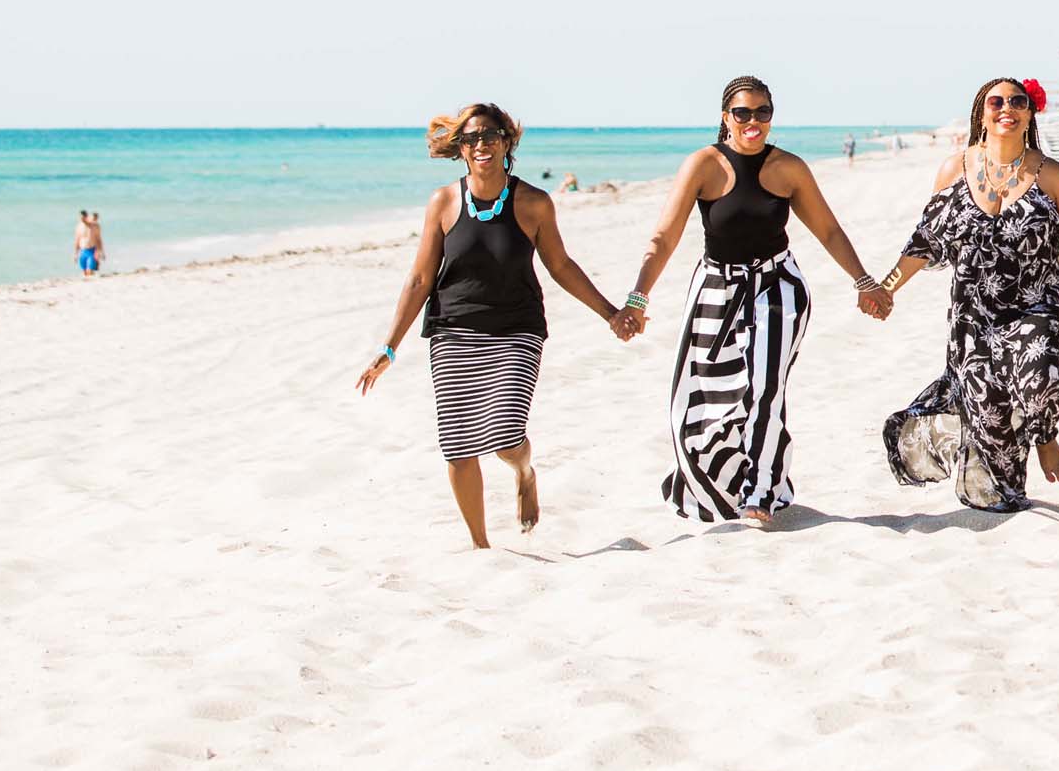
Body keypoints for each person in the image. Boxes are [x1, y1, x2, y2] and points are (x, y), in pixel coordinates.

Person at [873, 76, 1059, 513]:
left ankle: (1045, 435)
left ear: (1029, 114)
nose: (1006, 108)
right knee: (989, 411)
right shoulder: (955, 169)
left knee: (1040, 382)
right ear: (981, 113)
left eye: (1017, 102)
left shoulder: (1051, 175)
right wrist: (886, 288)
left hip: (1038, 305)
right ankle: (1007, 497)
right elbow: (925, 241)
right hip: (973, 316)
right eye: (997, 101)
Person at [616, 77, 891, 529]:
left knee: (765, 389)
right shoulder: (703, 165)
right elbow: (664, 236)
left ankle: (761, 489)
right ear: (726, 116)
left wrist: (864, 282)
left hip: (777, 287)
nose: (753, 122)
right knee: (696, 399)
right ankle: (721, 482)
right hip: (714, 289)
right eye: (743, 113)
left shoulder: (789, 168)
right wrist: (637, 298)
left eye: (763, 112)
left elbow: (829, 231)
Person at [356, 103, 628, 547]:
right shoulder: (443, 202)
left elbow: (560, 265)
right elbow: (422, 278)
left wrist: (611, 313)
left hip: (517, 329)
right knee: (459, 448)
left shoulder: (534, 203)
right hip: (452, 332)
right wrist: (388, 349)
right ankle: (481, 545)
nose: (480, 144)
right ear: (460, 149)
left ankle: (524, 471)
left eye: (489, 135)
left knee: (503, 435)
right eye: (470, 138)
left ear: (506, 141)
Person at [74, 209, 104, 278]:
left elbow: (98, 239)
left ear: (86, 217)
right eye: (80, 218)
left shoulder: (94, 226)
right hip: (83, 252)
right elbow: (77, 241)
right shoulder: (78, 227)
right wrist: (75, 254)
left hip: (92, 251)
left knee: (90, 272)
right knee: (85, 273)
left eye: (83, 217)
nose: (82, 219)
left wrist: (100, 252)